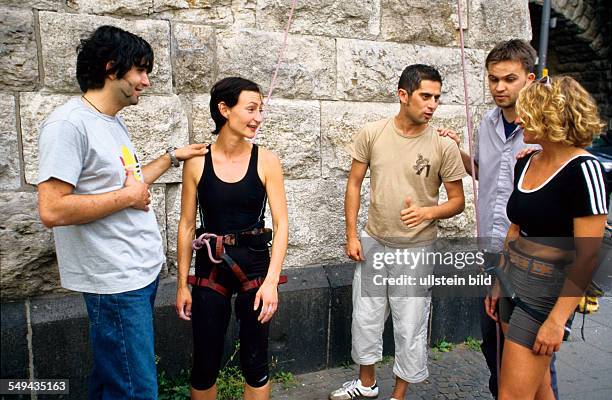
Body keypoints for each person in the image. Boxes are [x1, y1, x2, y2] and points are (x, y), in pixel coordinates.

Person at [36, 26, 206, 399]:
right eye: (140, 71)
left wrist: (172, 157)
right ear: (112, 68)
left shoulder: (110, 121)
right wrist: (127, 199)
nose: (146, 81)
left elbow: (129, 183)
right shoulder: (68, 125)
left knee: (114, 378)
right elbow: (52, 208)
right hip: (113, 281)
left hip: (135, 274)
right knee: (136, 389)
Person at [330, 64, 466, 400]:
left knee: (410, 325)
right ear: (403, 95)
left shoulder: (443, 146)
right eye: (425, 96)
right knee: (366, 319)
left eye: (437, 97)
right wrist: (351, 234)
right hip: (374, 241)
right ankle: (366, 384)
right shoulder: (372, 132)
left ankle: (399, 395)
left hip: (417, 250)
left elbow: (458, 201)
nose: (432, 104)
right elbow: (354, 184)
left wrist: (427, 212)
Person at [438, 39, 562, 399]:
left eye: (509, 79)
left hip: (534, 258)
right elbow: (483, 172)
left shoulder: (546, 130)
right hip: (491, 250)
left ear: (529, 77)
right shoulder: (488, 123)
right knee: (493, 345)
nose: (499, 88)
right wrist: (455, 151)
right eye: (493, 79)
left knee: (534, 356)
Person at [485, 75, 608, 399]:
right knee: (541, 389)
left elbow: (588, 256)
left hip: (547, 293)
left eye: (528, 111)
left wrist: (557, 320)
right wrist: (500, 280)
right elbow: (516, 228)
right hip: (513, 283)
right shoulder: (526, 163)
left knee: (511, 394)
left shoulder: (585, 169)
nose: (520, 117)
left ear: (550, 116)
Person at [175, 77, 289, 400]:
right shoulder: (197, 161)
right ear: (224, 109)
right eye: (251, 109)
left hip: (254, 267)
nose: (258, 118)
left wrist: (270, 283)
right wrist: (182, 283)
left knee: (255, 360)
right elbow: (186, 225)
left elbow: (282, 225)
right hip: (210, 268)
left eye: (261, 109)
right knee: (205, 363)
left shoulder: (267, 161)